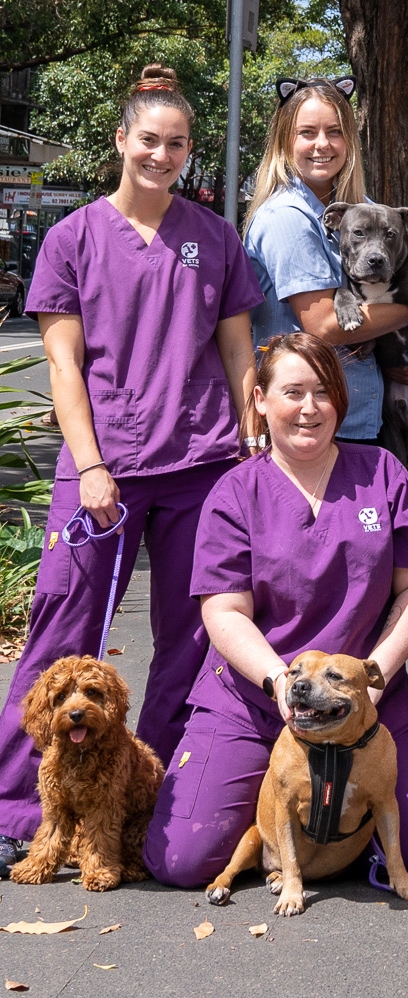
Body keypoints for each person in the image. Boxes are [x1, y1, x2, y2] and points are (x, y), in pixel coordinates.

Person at [0, 65, 264, 874]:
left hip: (201, 461)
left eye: (177, 143)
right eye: (149, 139)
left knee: (190, 638)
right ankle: (16, 809)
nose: (162, 154)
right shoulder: (73, 238)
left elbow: (237, 351)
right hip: (103, 465)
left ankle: (156, 805)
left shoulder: (214, 238)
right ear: (121, 140)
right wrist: (88, 464)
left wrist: (251, 438)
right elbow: (63, 365)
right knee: (62, 631)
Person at [144, 333, 408, 886]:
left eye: (324, 392)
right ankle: (275, 814)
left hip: (360, 702)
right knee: (183, 859)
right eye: (293, 392)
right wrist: (279, 683)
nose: (310, 408)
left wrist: (373, 679)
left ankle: (323, 830)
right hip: (256, 701)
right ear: (261, 400)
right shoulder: (235, 492)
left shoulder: (382, 471)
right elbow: (224, 610)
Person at [244, 76, 408, 443]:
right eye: (307, 133)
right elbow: (324, 324)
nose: (322, 144)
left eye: (334, 132)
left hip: (358, 416)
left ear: (349, 140)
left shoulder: (364, 209)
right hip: (306, 424)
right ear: (285, 141)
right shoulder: (287, 216)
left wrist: (403, 352)